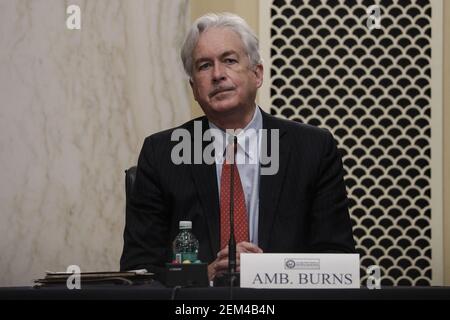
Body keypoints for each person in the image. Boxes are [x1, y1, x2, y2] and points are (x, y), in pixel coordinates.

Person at [120, 13, 355, 281]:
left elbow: (338, 260)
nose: (218, 74)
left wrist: (267, 271)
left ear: (257, 73)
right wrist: (203, 276)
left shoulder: (313, 149)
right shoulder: (161, 154)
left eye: (229, 60)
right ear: (194, 88)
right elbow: (138, 270)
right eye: (204, 66)